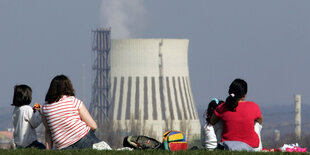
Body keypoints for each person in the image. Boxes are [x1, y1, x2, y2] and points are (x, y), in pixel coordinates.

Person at [42, 75, 99, 149]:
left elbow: (48, 131)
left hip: (63, 147)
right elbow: (93, 126)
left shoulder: (45, 108)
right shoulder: (73, 101)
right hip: (84, 139)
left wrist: (48, 151)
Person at [211, 79, 263, 151]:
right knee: (256, 122)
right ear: (244, 94)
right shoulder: (253, 106)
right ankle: (258, 148)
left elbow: (212, 121)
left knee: (218, 120)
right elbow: (260, 120)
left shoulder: (222, 107)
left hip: (228, 146)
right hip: (252, 146)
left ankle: (219, 145)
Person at [11, 84, 45, 149]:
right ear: (26, 97)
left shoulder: (16, 109)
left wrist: (33, 112)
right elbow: (35, 123)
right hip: (29, 142)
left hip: (18, 143)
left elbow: (23, 118)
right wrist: (41, 114)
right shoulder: (27, 108)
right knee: (43, 148)